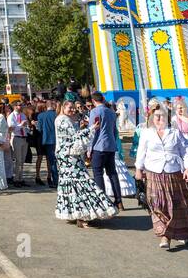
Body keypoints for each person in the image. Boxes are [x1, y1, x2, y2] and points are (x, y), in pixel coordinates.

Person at [135, 105, 188, 250]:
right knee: (156, 204)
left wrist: (187, 168)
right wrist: (138, 169)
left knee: (175, 205)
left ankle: (177, 232)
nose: (159, 119)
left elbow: (186, 151)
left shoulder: (175, 132)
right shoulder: (147, 133)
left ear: (168, 118)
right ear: (151, 118)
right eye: (157, 116)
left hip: (173, 172)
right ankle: (165, 235)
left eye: (163, 116)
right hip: (153, 173)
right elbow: (141, 152)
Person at [54, 96, 115, 227]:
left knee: (72, 184)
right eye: (69, 108)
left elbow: (72, 136)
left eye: (73, 108)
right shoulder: (62, 120)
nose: (72, 110)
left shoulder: (64, 119)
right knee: (80, 182)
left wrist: (83, 128)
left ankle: (74, 214)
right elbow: (75, 136)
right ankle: (81, 215)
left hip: (67, 156)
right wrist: (92, 128)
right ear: (63, 107)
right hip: (69, 157)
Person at [86, 92, 123, 210]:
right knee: (112, 173)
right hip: (110, 145)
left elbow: (93, 131)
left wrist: (89, 148)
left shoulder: (95, 112)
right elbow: (114, 131)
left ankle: (103, 201)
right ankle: (119, 201)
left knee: (97, 173)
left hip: (98, 146)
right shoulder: (111, 112)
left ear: (93, 101)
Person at [35, 100, 58, 188]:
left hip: (47, 140)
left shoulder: (41, 115)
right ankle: (56, 180)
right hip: (57, 140)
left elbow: (39, 129)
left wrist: (35, 125)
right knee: (56, 161)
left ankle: (55, 181)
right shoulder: (57, 114)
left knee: (52, 162)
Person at [9, 104, 30, 186]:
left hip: (24, 138)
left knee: (22, 160)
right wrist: (21, 125)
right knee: (18, 160)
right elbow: (12, 128)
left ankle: (21, 179)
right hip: (17, 138)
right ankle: (16, 179)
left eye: (21, 105)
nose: (20, 107)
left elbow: (26, 126)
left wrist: (28, 128)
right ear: (14, 106)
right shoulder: (11, 116)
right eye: (18, 105)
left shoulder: (23, 115)